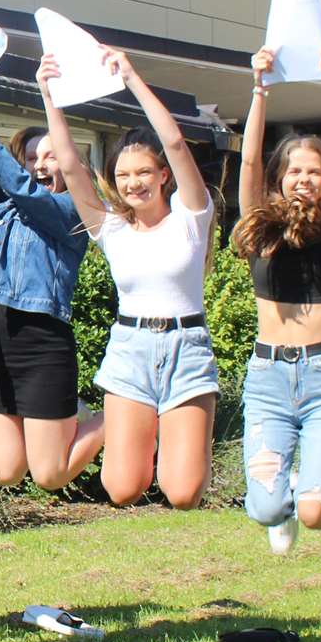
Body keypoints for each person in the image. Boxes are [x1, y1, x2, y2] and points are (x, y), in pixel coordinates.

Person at [38, 47, 217, 509]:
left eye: (143, 172)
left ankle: (183, 442)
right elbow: (71, 166)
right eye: (122, 175)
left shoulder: (190, 218)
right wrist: (48, 94)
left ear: (163, 176)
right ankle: (131, 428)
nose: (133, 182)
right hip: (130, 352)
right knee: (121, 488)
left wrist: (132, 77)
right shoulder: (110, 229)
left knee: (182, 492)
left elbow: (175, 142)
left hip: (186, 348)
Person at [234, 42, 321, 554]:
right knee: (266, 509)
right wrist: (259, 90)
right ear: (280, 179)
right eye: (294, 171)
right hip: (268, 380)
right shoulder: (260, 230)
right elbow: (249, 159)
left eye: (314, 171)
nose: (304, 178)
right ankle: (287, 498)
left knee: (315, 516)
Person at [0, 79, 104, 492]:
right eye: (32, 156)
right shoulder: (5, 210)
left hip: (42, 341)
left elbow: (23, 189)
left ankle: (128, 414)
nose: (40, 164)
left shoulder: (72, 213)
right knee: (7, 471)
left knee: (50, 474)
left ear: (72, 166)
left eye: (52, 157)